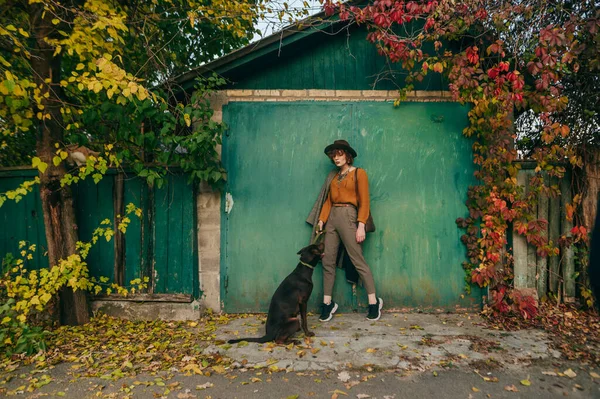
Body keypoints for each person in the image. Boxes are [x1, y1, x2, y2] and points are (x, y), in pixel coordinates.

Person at [315, 139, 382, 321]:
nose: (336, 158)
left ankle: (373, 302)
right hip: (332, 219)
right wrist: (321, 220)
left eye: (340, 154)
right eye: (333, 155)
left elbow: (364, 200)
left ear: (347, 155)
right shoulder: (334, 177)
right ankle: (327, 303)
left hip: (349, 216)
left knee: (357, 258)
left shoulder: (359, 173)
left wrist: (361, 224)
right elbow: (329, 200)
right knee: (327, 260)